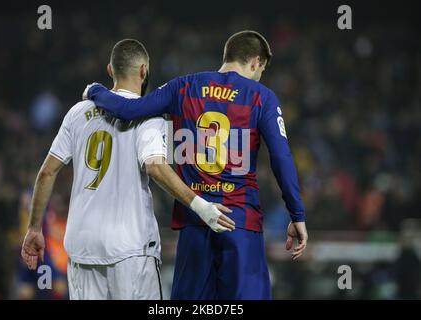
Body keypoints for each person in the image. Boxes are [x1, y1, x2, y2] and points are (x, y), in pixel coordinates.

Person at [83, 31, 308, 299]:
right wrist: (297, 214)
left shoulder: (183, 86)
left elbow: (129, 110)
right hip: (240, 222)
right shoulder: (262, 97)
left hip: (195, 222)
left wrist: (94, 90)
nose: (260, 76)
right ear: (255, 62)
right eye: (261, 70)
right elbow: (281, 157)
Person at [21, 39, 234, 300]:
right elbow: (155, 167)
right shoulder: (150, 115)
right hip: (131, 250)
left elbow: (47, 172)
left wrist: (34, 228)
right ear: (144, 70)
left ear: (110, 70)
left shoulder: (78, 112)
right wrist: (201, 206)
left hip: (81, 248)